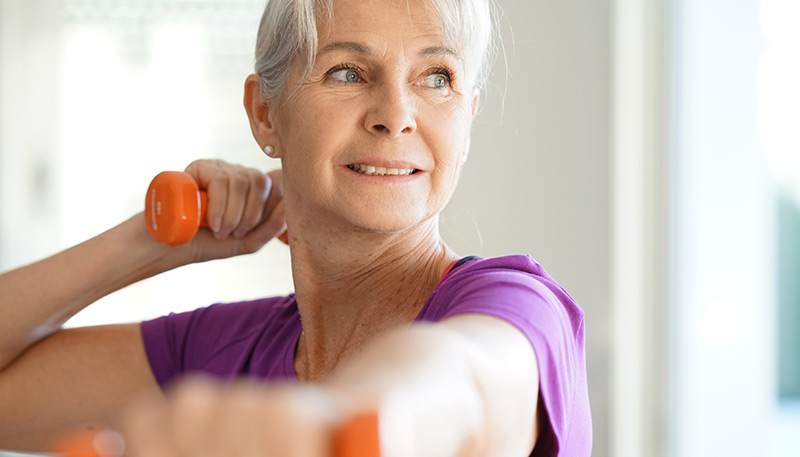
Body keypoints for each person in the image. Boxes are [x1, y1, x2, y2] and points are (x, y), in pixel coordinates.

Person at [0, 0, 591, 455]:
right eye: (347, 72)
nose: (396, 116)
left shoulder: (515, 305)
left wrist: (336, 421)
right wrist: (148, 242)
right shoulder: (221, 354)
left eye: (436, 77)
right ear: (265, 114)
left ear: (467, 119)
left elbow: (460, 381)